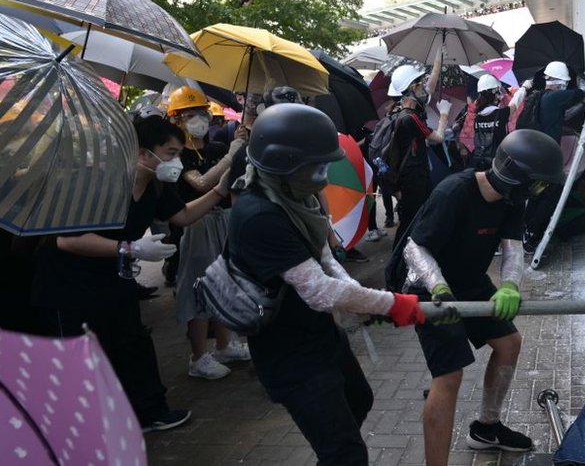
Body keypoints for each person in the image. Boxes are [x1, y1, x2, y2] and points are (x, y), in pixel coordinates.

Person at [227, 103, 426, 465]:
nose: (324, 173)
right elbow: (318, 290)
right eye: (316, 165)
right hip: (289, 354)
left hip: (318, 336)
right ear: (284, 164)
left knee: (358, 402)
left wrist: (365, 302)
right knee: (345, 453)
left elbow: (324, 258)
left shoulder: (294, 199)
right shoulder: (259, 216)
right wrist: (390, 303)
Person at [31, 116, 235, 432]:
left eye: (178, 153)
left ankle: (149, 411)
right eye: (169, 152)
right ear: (142, 153)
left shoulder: (156, 185)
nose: (176, 161)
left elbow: (182, 216)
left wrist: (220, 190)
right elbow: (68, 239)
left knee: (133, 342)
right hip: (68, 285)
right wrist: (130, 249)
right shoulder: (99, 181)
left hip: (113, 278)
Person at [398, 129, 565, 466]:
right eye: (537, 184)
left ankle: (486, 429)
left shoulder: (510, 200)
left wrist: (510, 286)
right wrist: (438, 287)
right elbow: (415, 247)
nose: (541, 191)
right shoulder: (453, 192)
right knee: (449, 374)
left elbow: (512, 249)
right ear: (516, 176)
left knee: (509, 343)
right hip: (429, 287)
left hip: (470, 282)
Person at [168, 86, 251, 380]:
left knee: (223, 283)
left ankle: (225, 344)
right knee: (198, 286)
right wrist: (232, 154)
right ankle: (199, 355)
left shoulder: (215, 148)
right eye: (189, 115)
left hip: (223, 221)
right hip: (196, 226)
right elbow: (201, 184)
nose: (198, 119)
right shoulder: (177, 155)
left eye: (201, 113)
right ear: (175, 120)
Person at [386, 56, 452, 245]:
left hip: (413, 174)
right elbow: (438, 138)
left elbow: (430, 86)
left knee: (418, 215)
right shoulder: (410, 118)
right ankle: (398, 263)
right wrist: (444, 114)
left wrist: (438, 59)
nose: (422, 88)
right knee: (410, 220)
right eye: (418, 85)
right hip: (413, 176)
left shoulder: (400, 112)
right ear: (409, 91)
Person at [522, 61, 585, 254]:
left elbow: (556, 118)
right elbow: (579, 94)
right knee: (550, 193)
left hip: (535, 155)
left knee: (536, 193)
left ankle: (527, 230)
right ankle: (532, 235)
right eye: (565, 82)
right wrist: (582, 81)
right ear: (559, 82)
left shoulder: (537, 96)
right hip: (547, 157)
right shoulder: (555, 97)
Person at [469, 74, 511, 170]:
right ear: (494, 93)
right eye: (498, 92)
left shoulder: (477, 116)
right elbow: (515, 103)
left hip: (481, 161)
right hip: (498, 162)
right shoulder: (501, 113)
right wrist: (524, 88)